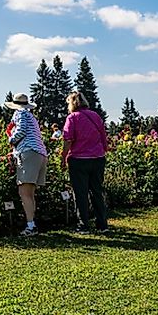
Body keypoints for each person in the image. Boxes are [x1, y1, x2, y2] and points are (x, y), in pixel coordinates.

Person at [61, 91, 109, 234]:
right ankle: (102, 225)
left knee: (80, 193)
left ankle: (83, 225)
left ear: (72, 103)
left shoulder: (72, 118)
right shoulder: (95, 116)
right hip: (98, 158)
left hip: (79, 160)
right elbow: (103, 135)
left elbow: (68, 139)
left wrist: (63, 157)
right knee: (97, 192)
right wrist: (103, 150)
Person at [5, 93, 48, 237]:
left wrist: (11, 140)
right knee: (30, 193)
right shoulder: (31, 116)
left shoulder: (20, 113)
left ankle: (31, 226)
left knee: (24, 192)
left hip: (28, 153)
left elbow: (21, 130)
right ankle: (32, 224)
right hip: (39, 153)